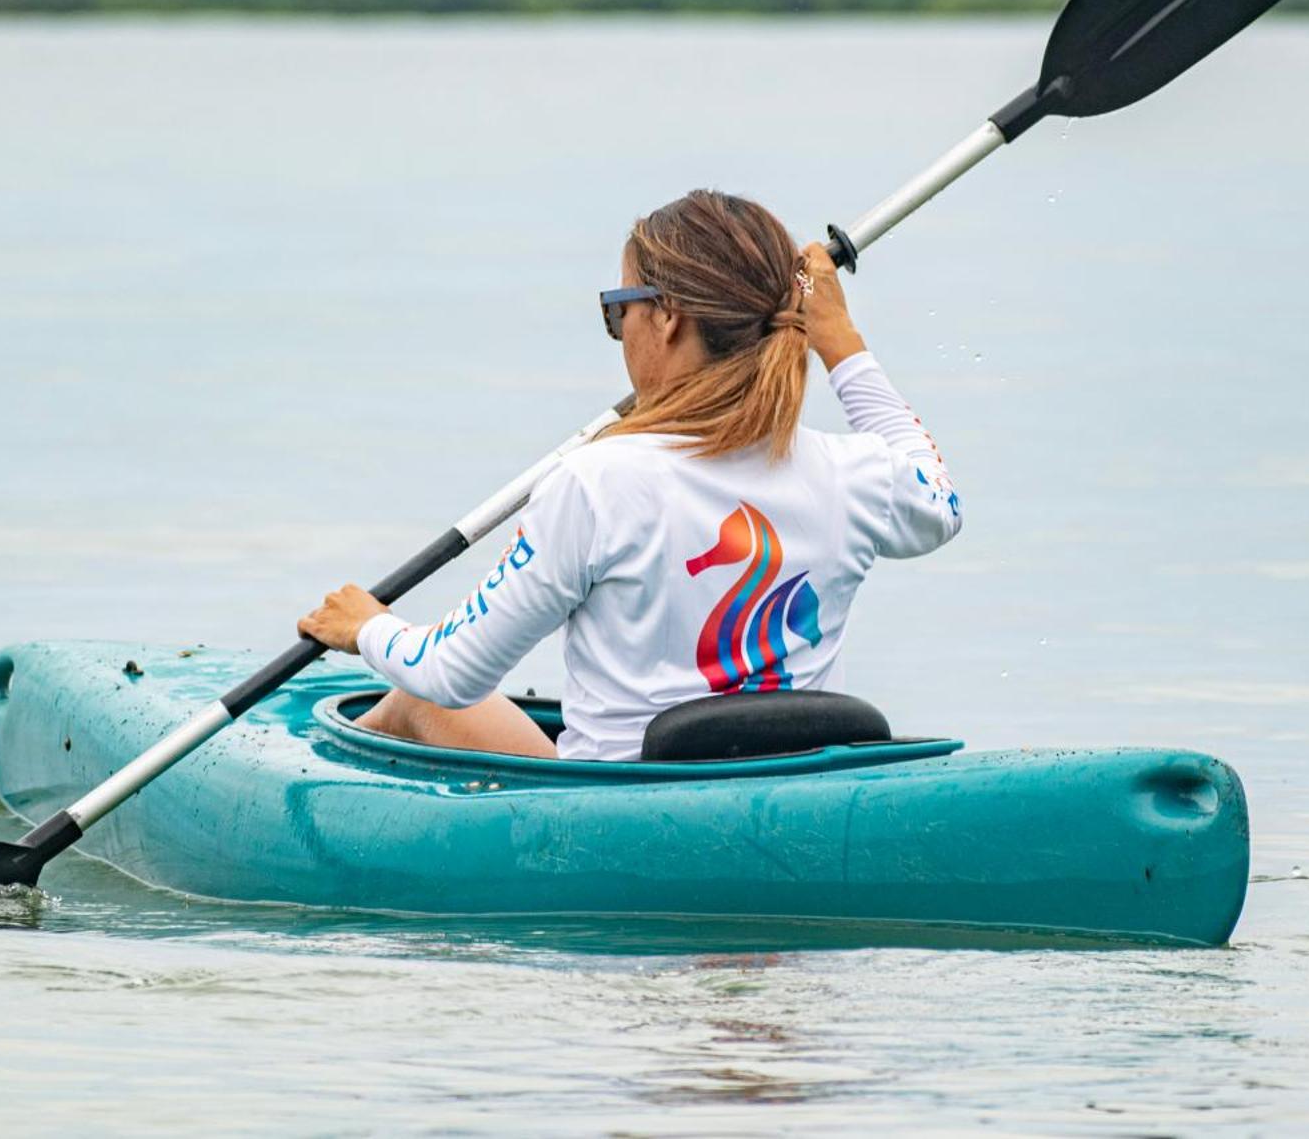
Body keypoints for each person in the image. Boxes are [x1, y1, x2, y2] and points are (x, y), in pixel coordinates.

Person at [297, 190, 962, 761]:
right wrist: (840, 340)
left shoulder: (594, 484)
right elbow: (941, 501)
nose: (620, 330)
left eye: (619, 310)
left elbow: (451, 671)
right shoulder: (855, 475)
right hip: (794, 790)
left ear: (667, 316)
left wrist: (369, 626)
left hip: (614, 810)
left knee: (413, 694)